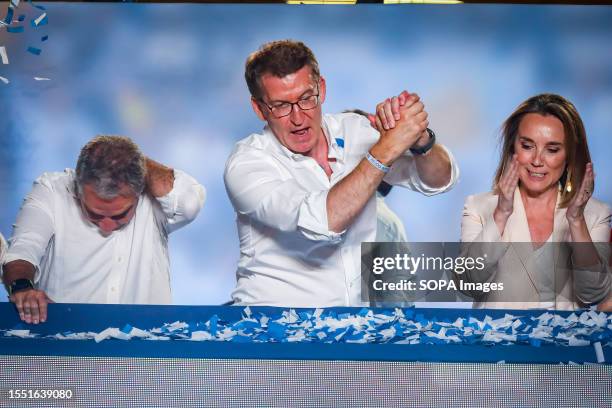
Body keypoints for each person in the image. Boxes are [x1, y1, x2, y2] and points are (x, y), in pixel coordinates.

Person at [224, 40, 459, 307]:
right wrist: (389, 146)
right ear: (259, 108)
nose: (298, 117)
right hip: (271, 333)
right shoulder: (247, 162)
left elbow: (439, 180)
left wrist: (420, 139)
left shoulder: (355, 130)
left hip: (349, 331)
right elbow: (324, 222)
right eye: (280, 105)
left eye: (306, 99)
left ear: (321, 89)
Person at [1, 135, 205, 324]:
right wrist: (22, 287)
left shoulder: (154, 201)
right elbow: (24, 249)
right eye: (95, 213)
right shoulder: (52, 191)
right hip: (63, 349)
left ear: (138, 192)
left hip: (144, 352)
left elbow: (188, 205)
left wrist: (123, 159)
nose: (107, 227)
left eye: (119, 215)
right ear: (78, 189)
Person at [457, 93, 611, 310]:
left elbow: (592, 294)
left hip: (565, 344)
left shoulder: (596, 214)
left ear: (569, 156)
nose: (537, 161)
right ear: (513, 148)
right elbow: (467, 285)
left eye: (552, 150)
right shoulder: (478, 207)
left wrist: (576, 221)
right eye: (527, 146)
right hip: (497, 343)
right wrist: (500, 214)